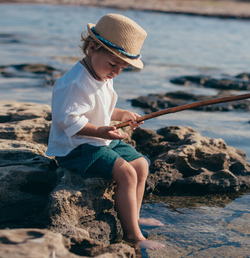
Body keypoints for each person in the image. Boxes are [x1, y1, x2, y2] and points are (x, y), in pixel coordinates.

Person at [46, 13, 165, 250]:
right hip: (76, 148)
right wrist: (100, 131)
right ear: (92, 48)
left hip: (98, 140)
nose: (117, 72)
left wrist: (121, 115)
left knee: (141, 164)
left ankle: (135, 217)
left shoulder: (101, 72)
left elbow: (100, 107)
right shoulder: (75, 83)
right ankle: (133, 236)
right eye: (114, 64)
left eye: (123, 67)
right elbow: (68, 120)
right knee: (127, 174)